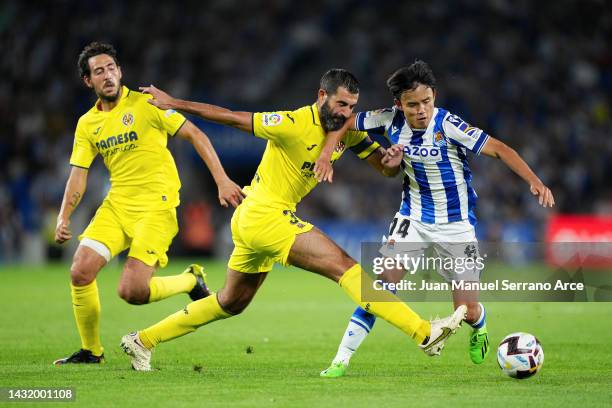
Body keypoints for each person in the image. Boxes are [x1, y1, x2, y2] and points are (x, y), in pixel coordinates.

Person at [119, 68, 468, 371]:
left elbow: (384, 169)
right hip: (262, 214)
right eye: (340, 104)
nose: (346, 112)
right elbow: (229, 115)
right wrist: (175, 102)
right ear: (321, 96)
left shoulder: (348, 131)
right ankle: (424, 333)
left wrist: (390, 162)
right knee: (343, 265)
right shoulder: (292, 123)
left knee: (231, 302)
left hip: (258, 220)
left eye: (351, 106)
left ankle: (143, 340)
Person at [319, 60, 555, 378]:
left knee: (467, 311)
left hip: (457, 226)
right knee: (378, 289)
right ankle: (341, 358)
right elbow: (345, 122)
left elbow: (500, 149)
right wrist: (326, 154)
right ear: (398, 104)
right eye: (412, 104)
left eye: (427, 101)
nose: (421, 110)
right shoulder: (387, 120)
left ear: (435, 97)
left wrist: (535, 181)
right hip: (412, 218)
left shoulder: (449, 125)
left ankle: (479, 322)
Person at [53, 42, 245, 365]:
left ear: (120, 71)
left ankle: (189, 280)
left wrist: (222, 179)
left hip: (156, 206)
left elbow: (196, 135)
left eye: (111, 68)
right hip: (117, 206)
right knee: (80, 271)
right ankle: (91, 351)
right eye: (98, 71)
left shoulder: (147, 104)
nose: (108, 75)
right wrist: (63, 216)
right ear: (88, 81)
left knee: (132, 291)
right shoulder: (87, 124)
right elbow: (78, 174)